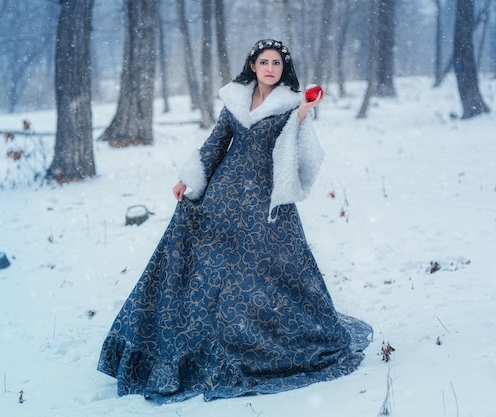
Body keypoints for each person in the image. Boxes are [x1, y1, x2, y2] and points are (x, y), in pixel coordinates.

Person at [98, 39, 372, 404]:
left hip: (266, 201)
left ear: (283, 68)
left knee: (274, 270)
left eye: (276, 62)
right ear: (253, 65)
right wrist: (189, 179)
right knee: (210, 269)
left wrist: (305, 109)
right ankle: (199, 339)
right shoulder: (236, 100)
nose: (270, 68)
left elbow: (294, 141)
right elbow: (215, 143)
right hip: (224, 197)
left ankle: (264, 336)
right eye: (264, 62)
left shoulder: (290, 103)